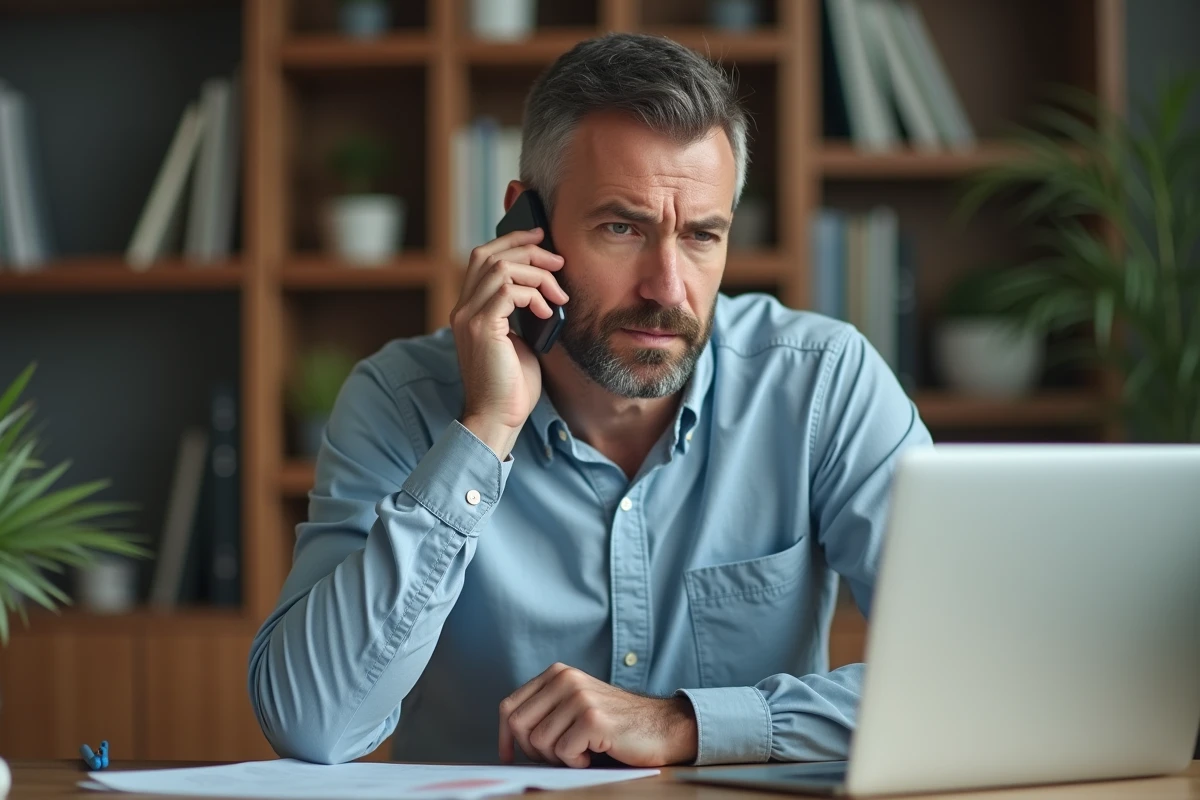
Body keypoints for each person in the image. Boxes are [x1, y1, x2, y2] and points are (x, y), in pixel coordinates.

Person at [248, 31, 931, 769]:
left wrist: (684, 725)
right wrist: (484, 432)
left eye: (702, 236)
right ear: (526, 226)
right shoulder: (400, 401)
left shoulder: (822, 385)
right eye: (621, 228)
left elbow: (973, 675)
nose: (668, 288)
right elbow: (310, 723)